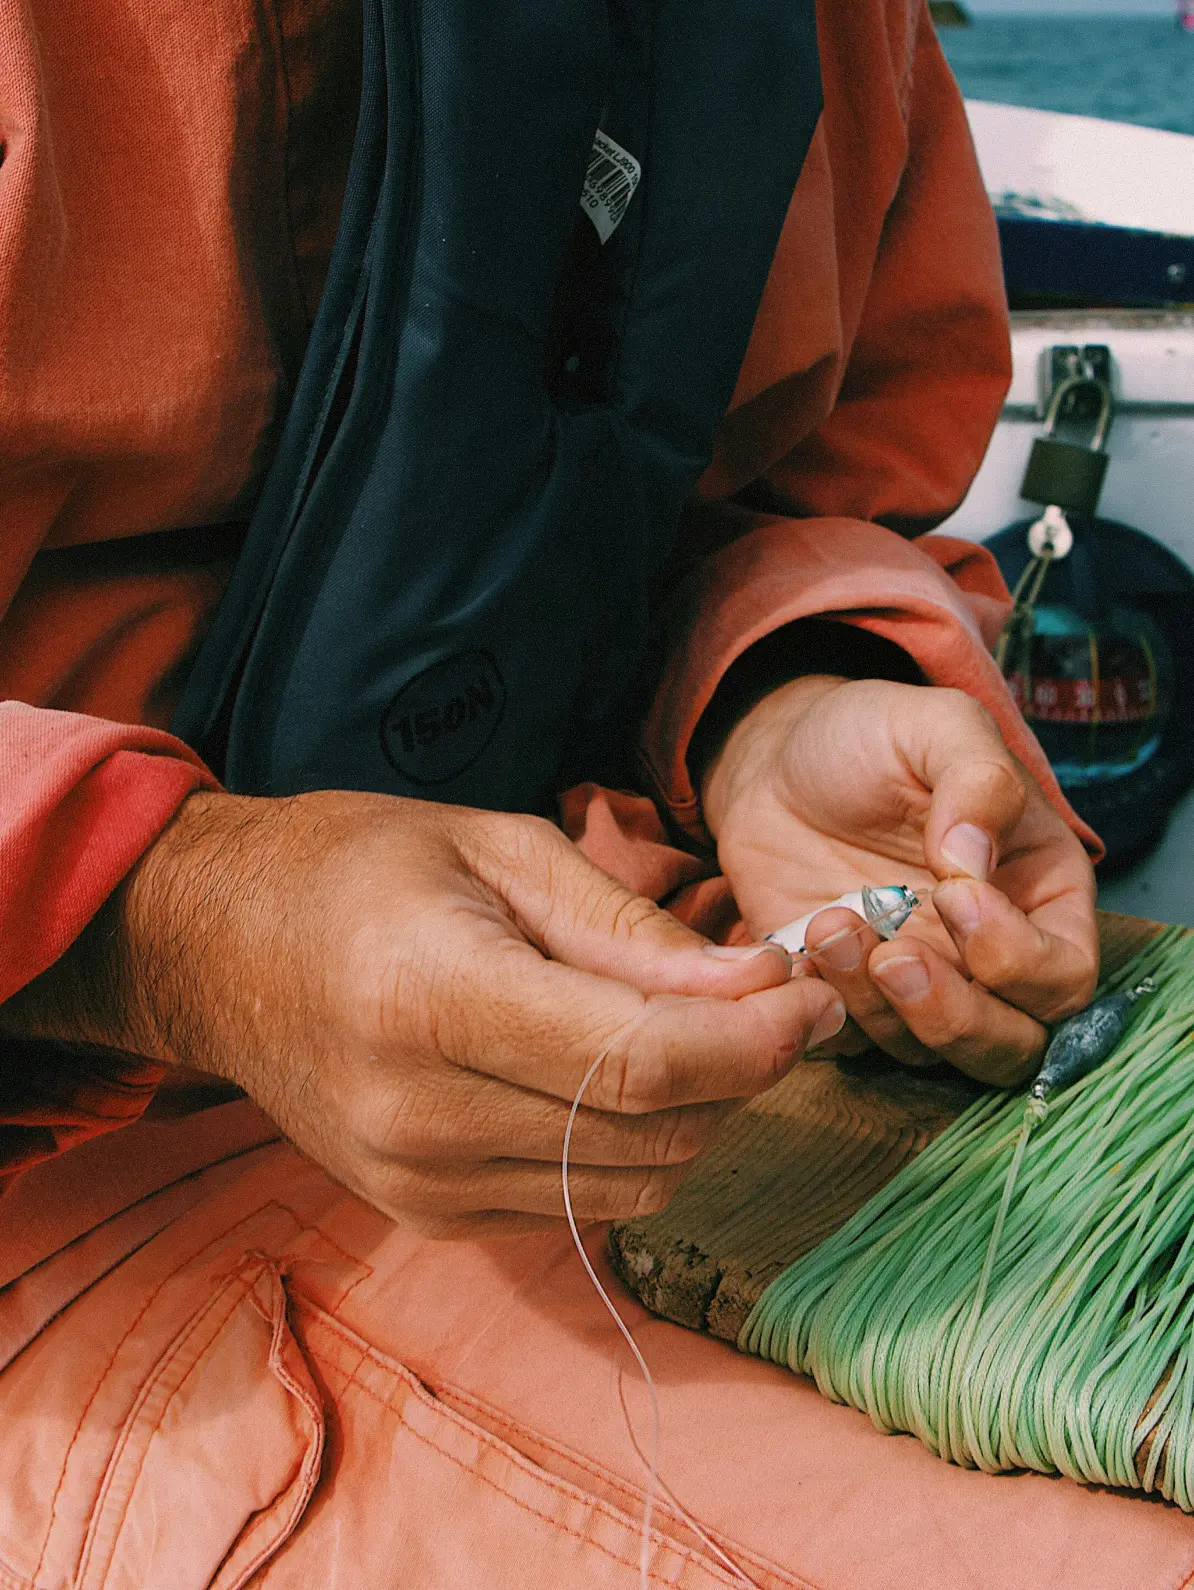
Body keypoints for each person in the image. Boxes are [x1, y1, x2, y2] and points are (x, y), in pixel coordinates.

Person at [1, 3, 1160, 1587]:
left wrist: (779, 691)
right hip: (73, 1174)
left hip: (665, 1053)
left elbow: (791, 476)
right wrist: (182, 924)